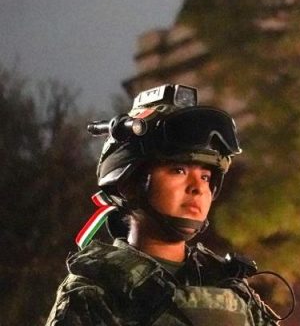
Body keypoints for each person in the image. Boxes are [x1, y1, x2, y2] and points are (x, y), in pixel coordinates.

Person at [46, 84, 281, 326]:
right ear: (130, 184)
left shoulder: (227, 284)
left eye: (205, 177)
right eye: (178, 171)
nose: (198, 188)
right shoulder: (95, 292)